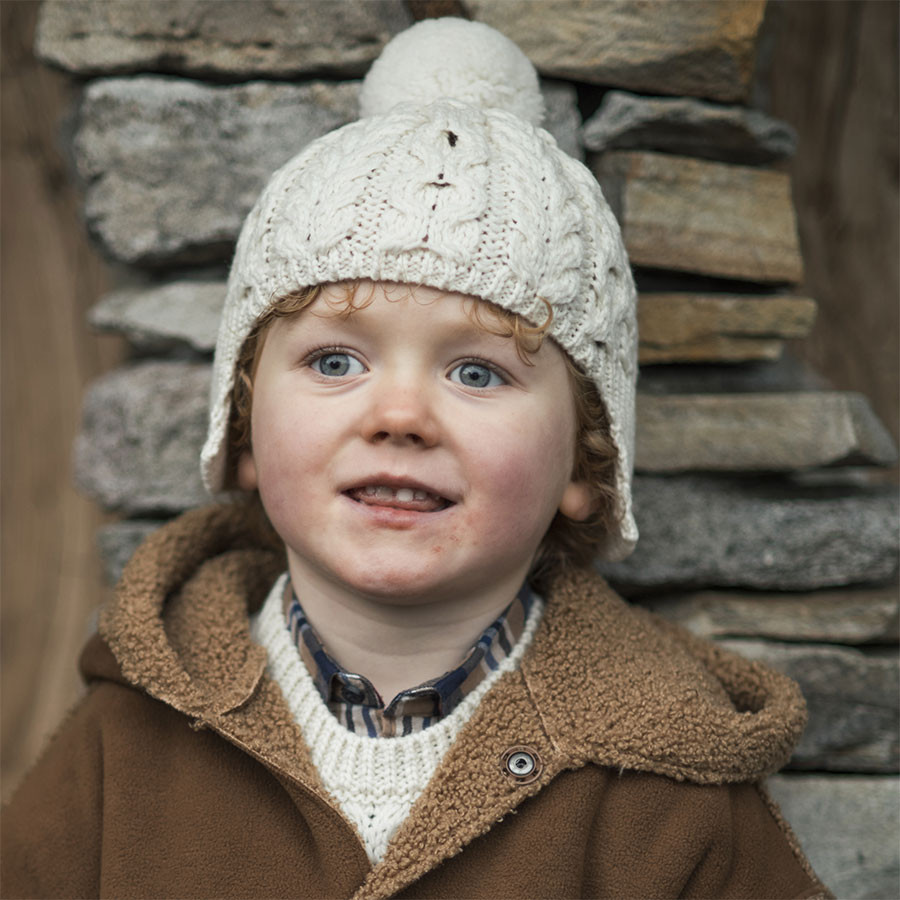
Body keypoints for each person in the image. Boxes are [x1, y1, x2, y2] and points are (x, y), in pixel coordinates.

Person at [2, 18, 832, 900]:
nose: (399, 415)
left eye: (477, 371)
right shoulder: (129, 739)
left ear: (587, 464)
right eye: (335, 362)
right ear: (243, 430)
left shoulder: (669, 783)